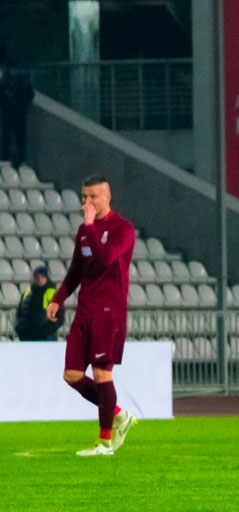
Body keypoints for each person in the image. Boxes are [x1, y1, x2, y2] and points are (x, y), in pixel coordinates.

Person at [47, 175, 138, 456]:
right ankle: (119, 414)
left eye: (92, 196)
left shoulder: (123, 229)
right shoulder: (84, 231)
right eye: (84, 196)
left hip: (109, 312)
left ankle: (105, 443)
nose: (86, 202)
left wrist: (89, 226)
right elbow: (77, 269)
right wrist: (58, 298)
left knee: (101, 374)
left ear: (107, 197)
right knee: (72, 375)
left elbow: (104, 259)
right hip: (85, 311)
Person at [15, 264, 63, 341]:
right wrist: (19, 328)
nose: (39, 279)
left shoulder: (52, 294)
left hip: (45, 339)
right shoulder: (27, 293)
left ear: (46, 278)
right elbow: (19, 313)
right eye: (37, 276)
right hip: (26, 337)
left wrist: (45, 332)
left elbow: (59, 317)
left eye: (42, 276)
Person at [0, 60, 34, 168]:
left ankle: (19, 159)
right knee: (8, 138)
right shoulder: (6, 81)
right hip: (10, 114)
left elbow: (30, 94)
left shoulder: (20, 81)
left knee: (19, 139)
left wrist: (23, 106)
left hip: (16, 114)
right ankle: (8, 158)